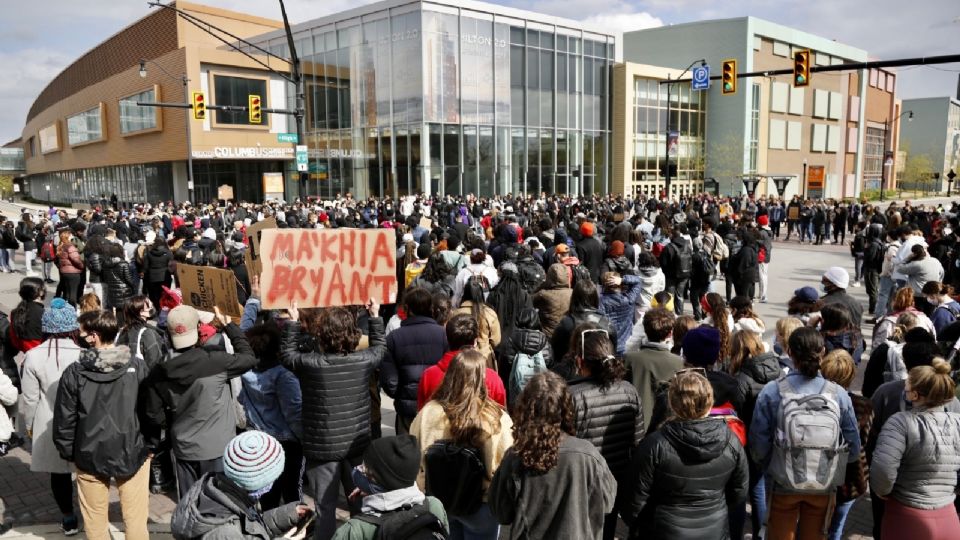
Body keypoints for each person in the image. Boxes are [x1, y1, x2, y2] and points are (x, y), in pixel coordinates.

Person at [281, 299, 385, 540]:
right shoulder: (363, 361)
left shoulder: (310, 365)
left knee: (325, 507)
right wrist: (375, 316)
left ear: (321, 334)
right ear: (353, 333)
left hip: (322, 448)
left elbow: (287, 355)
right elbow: (380, 348)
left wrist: (293, 322)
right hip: (355, 446)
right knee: (359, 503)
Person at [749, 327, 861, 540]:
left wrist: (770, 467)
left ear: (789, 352)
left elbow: (759, 445)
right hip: (823, 482)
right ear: (823, 352)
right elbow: (854, 448)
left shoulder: (773, 391)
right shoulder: (838, 394)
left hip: (783, 480)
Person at [53, 310, 156, 540]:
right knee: (136, 521)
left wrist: (69, 452)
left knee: (95, 524)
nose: (79, 336)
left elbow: (65, 419)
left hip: (89, 453)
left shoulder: (75, 372)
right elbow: (150, 411)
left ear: (94, 336)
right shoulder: (137, 367)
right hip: (132, 450)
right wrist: (151, 444)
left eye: (82, 333)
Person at [143, 304, 258, 499]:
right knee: (220, 505)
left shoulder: (159, 371)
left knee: (191, 506)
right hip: (218, 448)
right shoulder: (215, 361)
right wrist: (229, 327)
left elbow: (153, 414)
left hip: (184, 448)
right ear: (197, 328)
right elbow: (249, 358)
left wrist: (172, 421)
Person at [489, 371, 617, 539]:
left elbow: (501, 513)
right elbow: (607, 503)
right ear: (565, 407)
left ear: (526, 408)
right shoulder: (588, 454)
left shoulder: (516, 457)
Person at [626, 370, 749, 539]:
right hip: (713, 529)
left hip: (664, 530)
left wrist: (646, 524)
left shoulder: (654, 445)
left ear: (672, 403)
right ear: (709, 401)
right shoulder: (731, 442)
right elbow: (739, 491)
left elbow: (633, 501)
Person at [412, 349, 514, 540]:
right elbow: (503, 464)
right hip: (480, 504)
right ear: (481, 377)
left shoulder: (428, 413)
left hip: (438, 499)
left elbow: (415, 454)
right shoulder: (495, 418)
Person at [567, 324, 643, 540]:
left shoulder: (572, 396)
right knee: (607, 529)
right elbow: (637, 440)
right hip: (616, 479)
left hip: (583, 481)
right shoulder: (629, 391)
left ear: (580, 360)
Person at [871, 358, 960, 540]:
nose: (904, 388)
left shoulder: (900, 422)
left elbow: (883, 470)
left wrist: (882, 491)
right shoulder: (958, 422)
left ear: (915, 395)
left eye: (907, 386)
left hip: (906, 515)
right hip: (948, 516)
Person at [18, 298, 83, 535]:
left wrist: (29, 427)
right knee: (86, 473)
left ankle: (68, 518)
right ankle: (91, 515)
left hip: (49, 422)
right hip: (80, 421)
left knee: (59, 474)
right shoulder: (83, 354)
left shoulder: (33, 356)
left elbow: (30, 398)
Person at [171, 431, 312, 539]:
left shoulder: (214, 490)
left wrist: (287, 514)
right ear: (261, 483)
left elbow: (251, 527)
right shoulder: (226, 532)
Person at [238, 323, 303, 510]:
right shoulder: (283, 375)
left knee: (268, 493)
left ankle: (268, 529)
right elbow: (294, 412)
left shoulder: (247, 372)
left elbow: (242, 399)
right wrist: (304, 439)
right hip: (287, 441)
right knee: (292, 492)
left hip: (261, 441)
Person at [333, 435, 449, 540]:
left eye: (365, 469)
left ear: (379, 480)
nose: (358, 469)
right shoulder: (434, 506)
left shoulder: (353, 531)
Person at [820, 349, 874, 540]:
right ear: (851, 374)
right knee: (837, 527)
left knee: (811, 523)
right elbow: (864, 442)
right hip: (850, 477)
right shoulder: (864, 406)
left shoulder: (813, 400)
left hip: (815, 473)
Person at [381, 287, 449, 434]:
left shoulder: (394, 338)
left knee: (407, 451)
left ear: (407, 309)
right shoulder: (443, 335)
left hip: (407, 409)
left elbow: (389, 381)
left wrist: (401, 394)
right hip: (436, 405)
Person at [417, 313, 507, 410]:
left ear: (447, 339)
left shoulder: (429, 376)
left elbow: (423, 415)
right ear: (475, 341)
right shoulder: (492, 378)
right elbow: (500, 415)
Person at [623, 308, 682, 431]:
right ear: (670, 333)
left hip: (632, 426)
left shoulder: (629, 359)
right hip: (664, 429)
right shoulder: (678, 363)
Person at [551, 279, 615, 366]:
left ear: (574, 298)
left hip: (572, 370)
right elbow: (613, 351)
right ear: (595, 298)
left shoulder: (567, 323)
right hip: (600, 369)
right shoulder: (607, 323)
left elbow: (555, 350)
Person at [497, 307, 553, 399]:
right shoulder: (545, 343)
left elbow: (504, 369)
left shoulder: (510, 341)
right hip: (539, 392)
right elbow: (550, 365)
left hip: (516, 395)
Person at [451, 276, 501, 367]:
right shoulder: (489, 313)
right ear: (481, 294)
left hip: (460, 358)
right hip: (485, 358)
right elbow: (496, 340)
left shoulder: (456, 314)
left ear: (465, 294)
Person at [598, 271, 644, 356]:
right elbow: (638, 281)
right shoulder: (628, 299)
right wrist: (623, 280)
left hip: (609, 346)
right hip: (626, 344)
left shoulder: (601, 302)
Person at [659, 223, 694, 316]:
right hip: (685, 274)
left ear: (672, 236)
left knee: (669, 296)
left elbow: (663, 263)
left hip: (671, 276)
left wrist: (666, 272)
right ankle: (679, 315)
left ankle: (669, 315)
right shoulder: (688, 245)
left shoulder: (668, 247)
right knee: (680, 295)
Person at [533, 263, 573, 339]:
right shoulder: (573, 293)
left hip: (548, 335)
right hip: (567, 335)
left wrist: (543, 285)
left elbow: (529, 301)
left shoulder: (543, 294)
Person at [9, 276, 46, 357]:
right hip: (43, 355)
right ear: (41, 292)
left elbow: (14, 339)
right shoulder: (44, 313)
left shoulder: (15, 312)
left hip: (27, 354)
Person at [55, 229, 85, 306]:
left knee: (67, 292)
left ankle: (66, 308)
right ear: (68, 237)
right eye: (70, 235)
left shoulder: (61, 246)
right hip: (73, 272)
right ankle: (72, 310)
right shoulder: (70, 247)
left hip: (64, 272)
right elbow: (76, 259)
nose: (72, 236)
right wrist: (82, 266)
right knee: (73, 294)